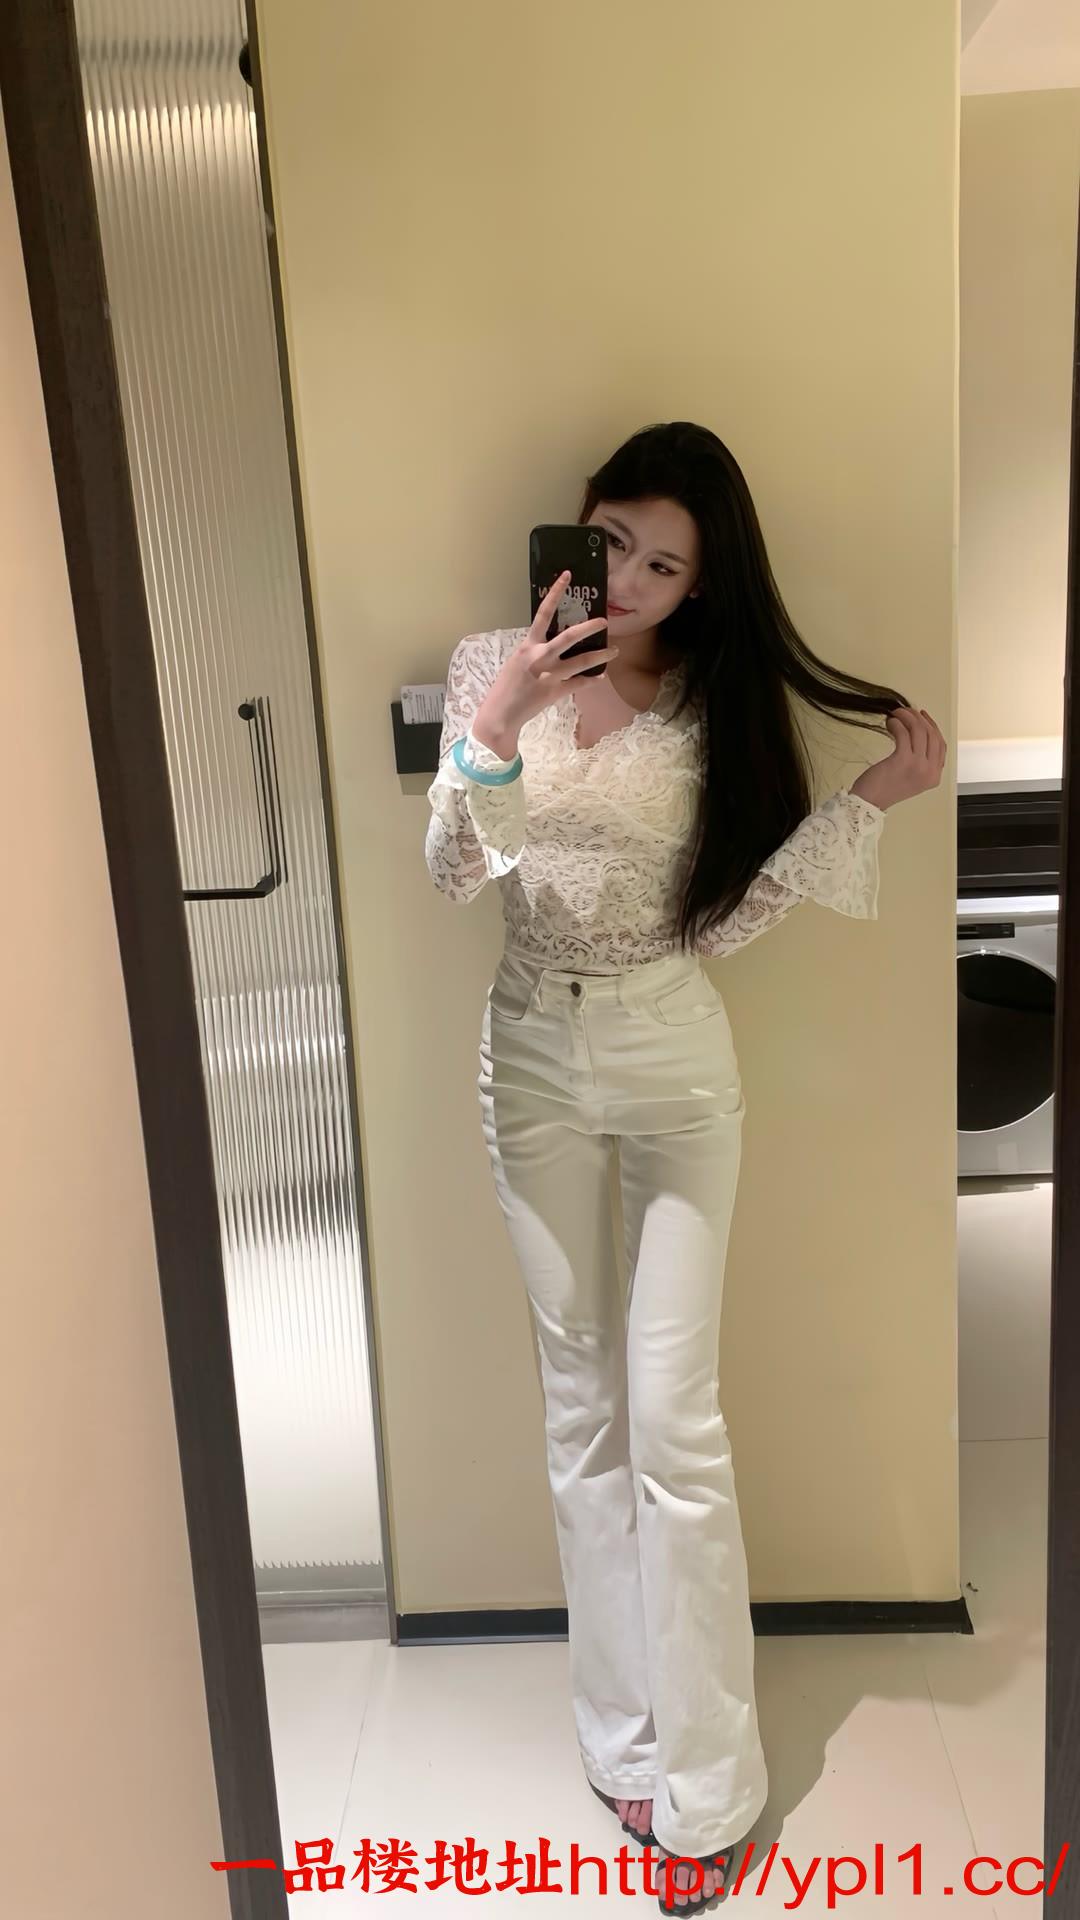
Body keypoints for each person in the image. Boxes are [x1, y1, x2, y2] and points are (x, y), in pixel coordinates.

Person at [423, 420, 946, 1914]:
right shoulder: (489, 665)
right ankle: (624, 1743)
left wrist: (870, 803)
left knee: (676, 1421)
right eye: (616, 545)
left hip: (671, 1058)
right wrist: (504, 718)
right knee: (581, 1410)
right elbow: (456, 871)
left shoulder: (712, 704)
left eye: (667, 565)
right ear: (579, 527)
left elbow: (721, 922)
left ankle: (710, 1786)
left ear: (703, 582)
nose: (634, 583)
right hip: (530, 1052)